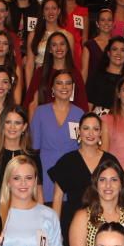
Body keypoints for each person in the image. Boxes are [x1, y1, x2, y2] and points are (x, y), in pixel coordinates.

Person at [48, 112, 120, 246]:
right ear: (79, 132)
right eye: (86, 128)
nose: (90, 133)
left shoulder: (110, 161)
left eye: (95, 129)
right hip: (72, 224)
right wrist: (55, 231)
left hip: (106, 225)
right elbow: (57, 198)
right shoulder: (67, 161)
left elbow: (120, 194)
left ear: (100, 134)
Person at [31, 70, 85, 203]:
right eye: (59, 83)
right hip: (45, 172)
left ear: (72, 87)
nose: (64, 87)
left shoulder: (80, 114)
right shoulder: (40, 112)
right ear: (53, 88)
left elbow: (83, 149)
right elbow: (33, 148)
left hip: (71, 172)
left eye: (68, 83)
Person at [0, 106, 43, 208]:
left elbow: (38, 193)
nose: (12, 127)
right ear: (2, 125)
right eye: (8, 122)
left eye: (17, 123)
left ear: (24, 127)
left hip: (25, 215)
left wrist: (41, 220)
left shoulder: (32, 157)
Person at [24, 31, 88, 115]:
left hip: (69, 121)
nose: (59, 48)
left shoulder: (75, 74)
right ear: (49, 49)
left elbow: (82, 105)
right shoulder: (40, 72)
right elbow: (29, 103)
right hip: (44, 121)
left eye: (62, 44)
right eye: (54, 45)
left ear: (67, 48)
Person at [86, 37, 124, 113]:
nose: (118, 53)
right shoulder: (96, 77)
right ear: (108, 53)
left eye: (123, 50)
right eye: (114, 49)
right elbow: (88, 106)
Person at [81, 8, 113, 82]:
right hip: (93, 88)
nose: (106, 23)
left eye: (109, 20)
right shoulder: (89, 45)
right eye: (102, 20)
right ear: (97, 23)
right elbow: (84, 72)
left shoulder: (117, 44)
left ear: (113, 23)